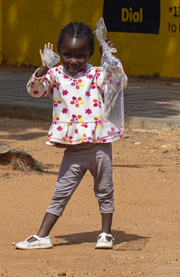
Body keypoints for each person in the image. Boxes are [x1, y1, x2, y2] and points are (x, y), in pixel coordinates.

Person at [15, 20, 128, 251]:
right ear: (59, 53)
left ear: (90, 54)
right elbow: (33, 90)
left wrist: (112, 60)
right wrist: (43, 68)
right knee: (61, 192)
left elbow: (119, 84)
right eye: (67, 55)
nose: (73, 61)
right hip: (73, 149)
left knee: (105, 190)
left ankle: (106, 234)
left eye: (80, 56)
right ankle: (42, 236)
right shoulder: (54, 75)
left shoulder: (98, 74)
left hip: (99, 146)